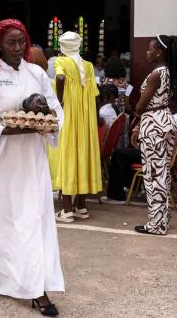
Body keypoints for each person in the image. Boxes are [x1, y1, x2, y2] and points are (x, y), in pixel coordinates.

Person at [0, 19, 64, 316]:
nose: (19, 48)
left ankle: (36, 289)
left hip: (29, 162)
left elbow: (54, 111)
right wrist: (15, 128)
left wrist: (43, 119)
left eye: (22, 42)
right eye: (11, 43)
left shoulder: (37, 73)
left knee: (30, 221)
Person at [49, 31, 103, 222]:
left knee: (67, 156)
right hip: (85, 120)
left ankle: (67, 210)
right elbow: (96, 94)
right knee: (82, 156)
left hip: (69, 117)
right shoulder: (88, 66)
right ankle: (81, 206)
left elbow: (61, 79)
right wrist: (96, 117)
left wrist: (60, 102)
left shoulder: (60, 62)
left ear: (62, 47)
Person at [130, 35, 177, 235]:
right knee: (162, 173)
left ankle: (156, 224)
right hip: (163, 122)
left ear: (159, 51)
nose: (147, 52)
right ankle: (162, 219)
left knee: (153, 175)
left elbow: (141, 105)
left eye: (150, 49)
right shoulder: (167, 71)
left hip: (153, 126)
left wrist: (136, 112)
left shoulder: (155, 74)